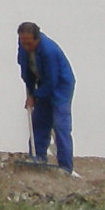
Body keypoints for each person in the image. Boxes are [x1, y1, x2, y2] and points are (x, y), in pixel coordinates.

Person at [16, 21, 77, 175]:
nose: (26, 46)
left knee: (60, 125)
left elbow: (52, 81)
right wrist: (31, 92)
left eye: (29, 43)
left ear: (37, 39)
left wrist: (35, 97)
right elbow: (26, 70)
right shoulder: (23, 45)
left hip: (60, 86)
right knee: (40, 121)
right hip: (43, 84)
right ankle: (38, 157)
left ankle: (65, 166)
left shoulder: (49, 50)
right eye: (23, 42)